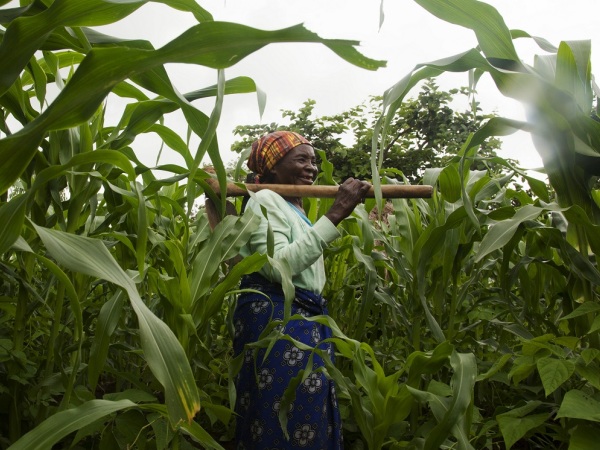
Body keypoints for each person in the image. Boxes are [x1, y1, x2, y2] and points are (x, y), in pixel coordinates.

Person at [233, 130, 370, 449]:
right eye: (301, 159)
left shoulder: (293, 208)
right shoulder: (265, 199)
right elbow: (280, 264)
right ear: (273, 168)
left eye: (313, 161)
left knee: (304, 408)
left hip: (302, 317)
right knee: (281, 409)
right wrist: (336, 213)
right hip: (279, 320)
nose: (312, 167)